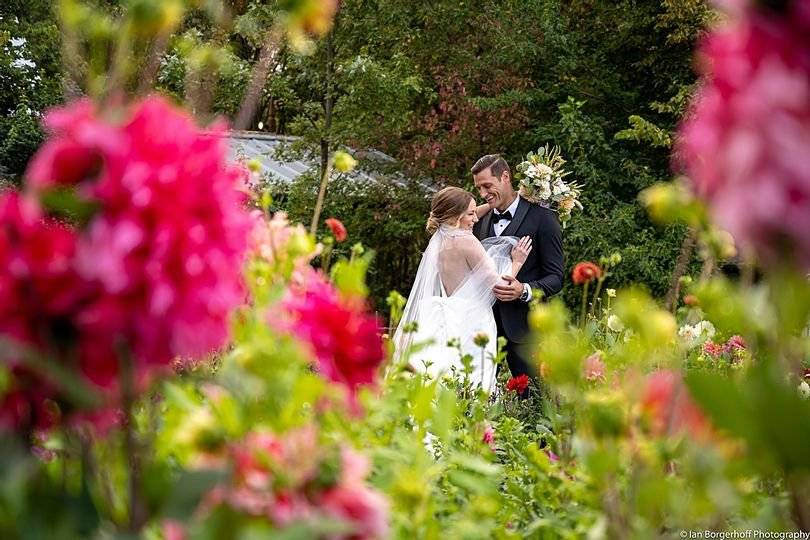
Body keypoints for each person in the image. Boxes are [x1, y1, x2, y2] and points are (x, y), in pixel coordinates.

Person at [392, 186, 532, 392]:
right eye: (470, 213)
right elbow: (501, 287)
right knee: (473, 382)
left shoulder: (439, 241)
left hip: (449, 318)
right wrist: (517, 261)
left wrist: (501, 201)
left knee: (447, 378)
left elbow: (471, 212)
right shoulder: (467, 242)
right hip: (474, 322)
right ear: (454, 215)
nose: (476, 218)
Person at [471, 154, 564, 381]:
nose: (483, 194)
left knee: (533, 401)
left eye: (487, 186)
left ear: (505, 177)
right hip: (482, 328)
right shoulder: (478, 220)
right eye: (479, 188)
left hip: (526, 332)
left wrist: (523, 290)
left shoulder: (543, 218)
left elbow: (556, 277)